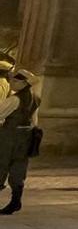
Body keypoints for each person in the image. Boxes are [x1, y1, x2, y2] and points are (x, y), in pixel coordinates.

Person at [0, 64, 40, 215]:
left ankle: (14, 202)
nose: (12, 83)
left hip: (9, 136)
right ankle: (16, 201)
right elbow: (35, 121)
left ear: (23, 83)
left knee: (2, 164)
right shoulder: (36, 98)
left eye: (15, 81)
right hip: (26, 137)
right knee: (19, 168)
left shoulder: (14, 100)